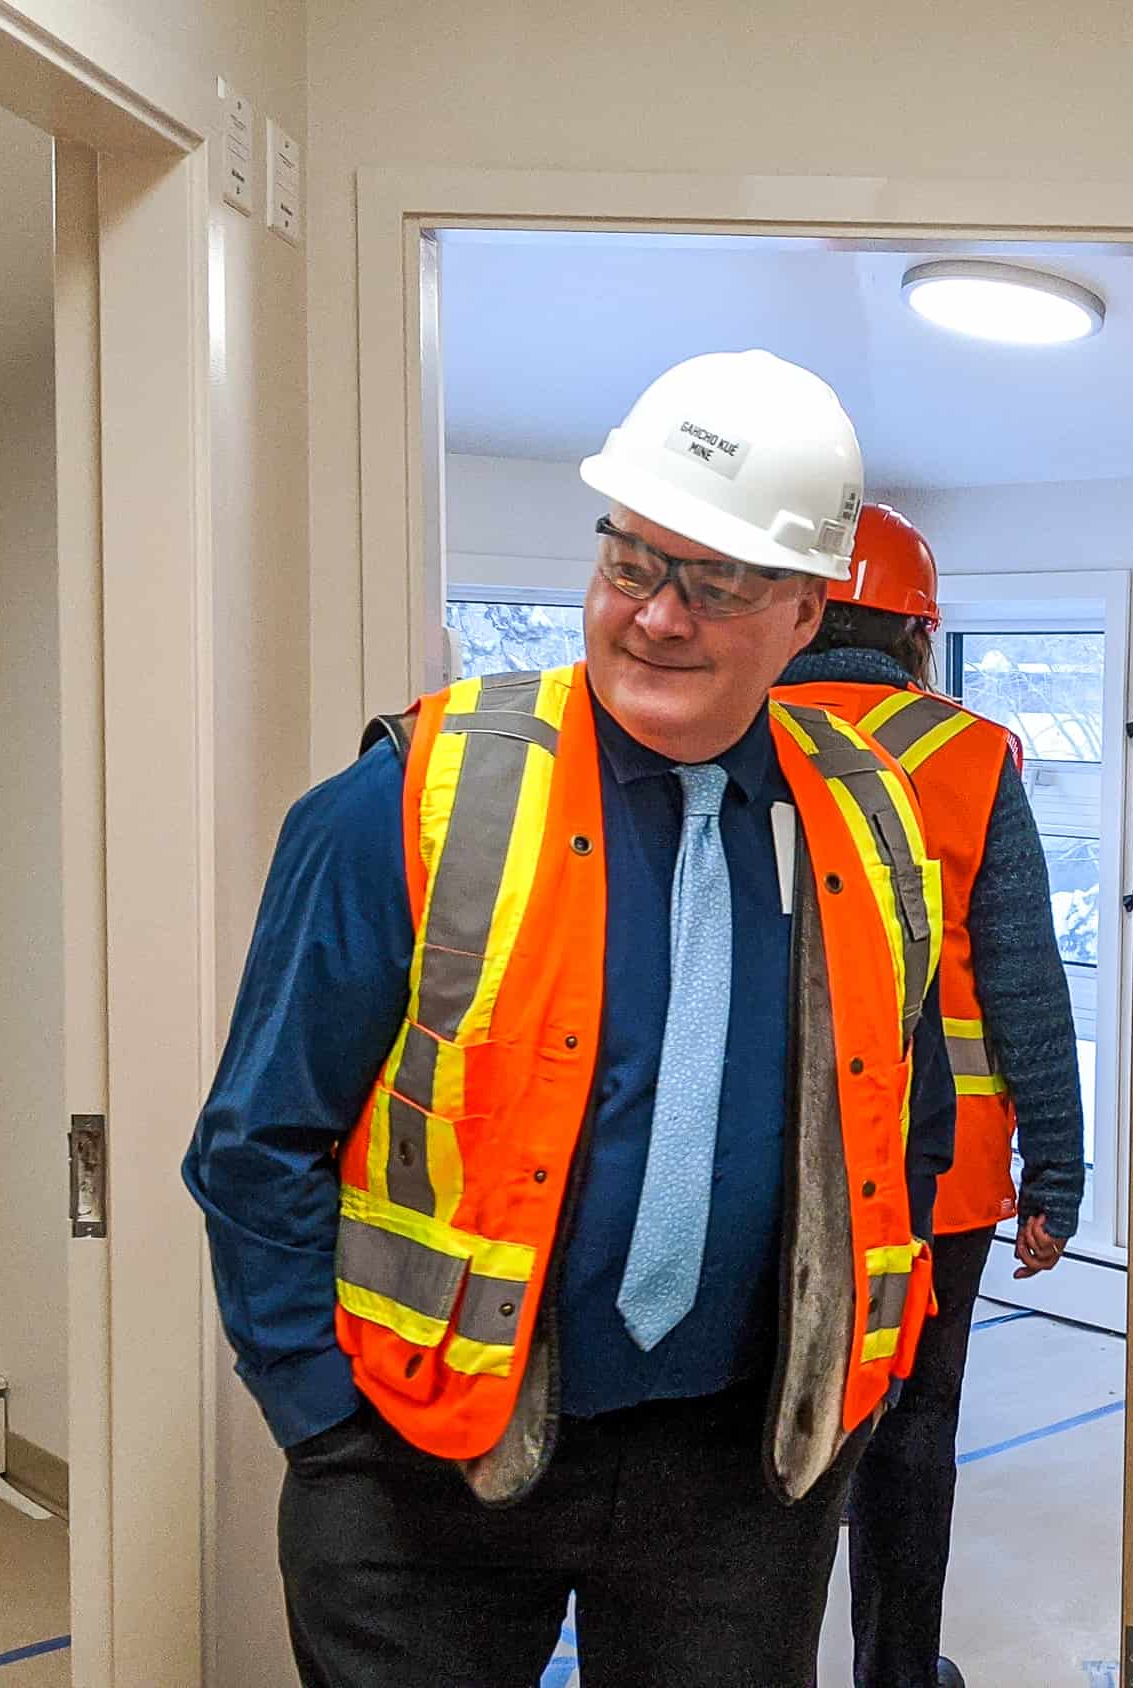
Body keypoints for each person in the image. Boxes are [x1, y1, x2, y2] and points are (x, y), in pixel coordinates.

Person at [182, 350, 956, 1688]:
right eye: (630, 562)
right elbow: (254, 1149)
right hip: (425, 1468)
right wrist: (327, 1427)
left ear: (803, 611)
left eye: (713, 583)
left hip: (742, 1478)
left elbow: (908, 1126)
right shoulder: (412, 803)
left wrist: (857, 1389)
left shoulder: (870, 820)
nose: (655, 617)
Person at [776, 505, 1089, 1688]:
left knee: (774, 1431)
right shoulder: (967, 751)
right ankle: (897, 1672)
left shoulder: (733, 730)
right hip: (939, 1178)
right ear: (918, 632)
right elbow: (1024, 984)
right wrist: (1056, 1176)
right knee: (912, 1432)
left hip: (768, 1163)